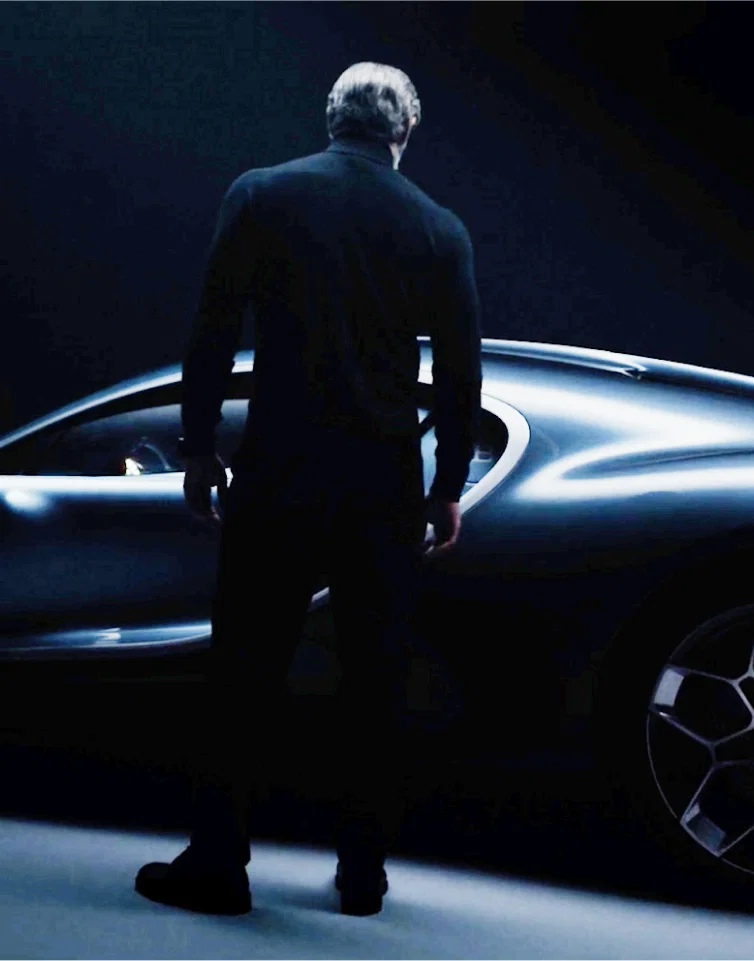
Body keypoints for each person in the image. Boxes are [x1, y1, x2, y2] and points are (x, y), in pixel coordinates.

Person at [134, 61, 482, 917]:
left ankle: (220, 863)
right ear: (405, 132)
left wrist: (197, 446)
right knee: (373, 683)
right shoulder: (441, 229)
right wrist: (444, 490)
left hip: (280, 471)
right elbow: (463, 376)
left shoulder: (262, 195)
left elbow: (214, 324)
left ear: (333, 119)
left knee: (244, 673)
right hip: (383, 485)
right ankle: (362, 874)